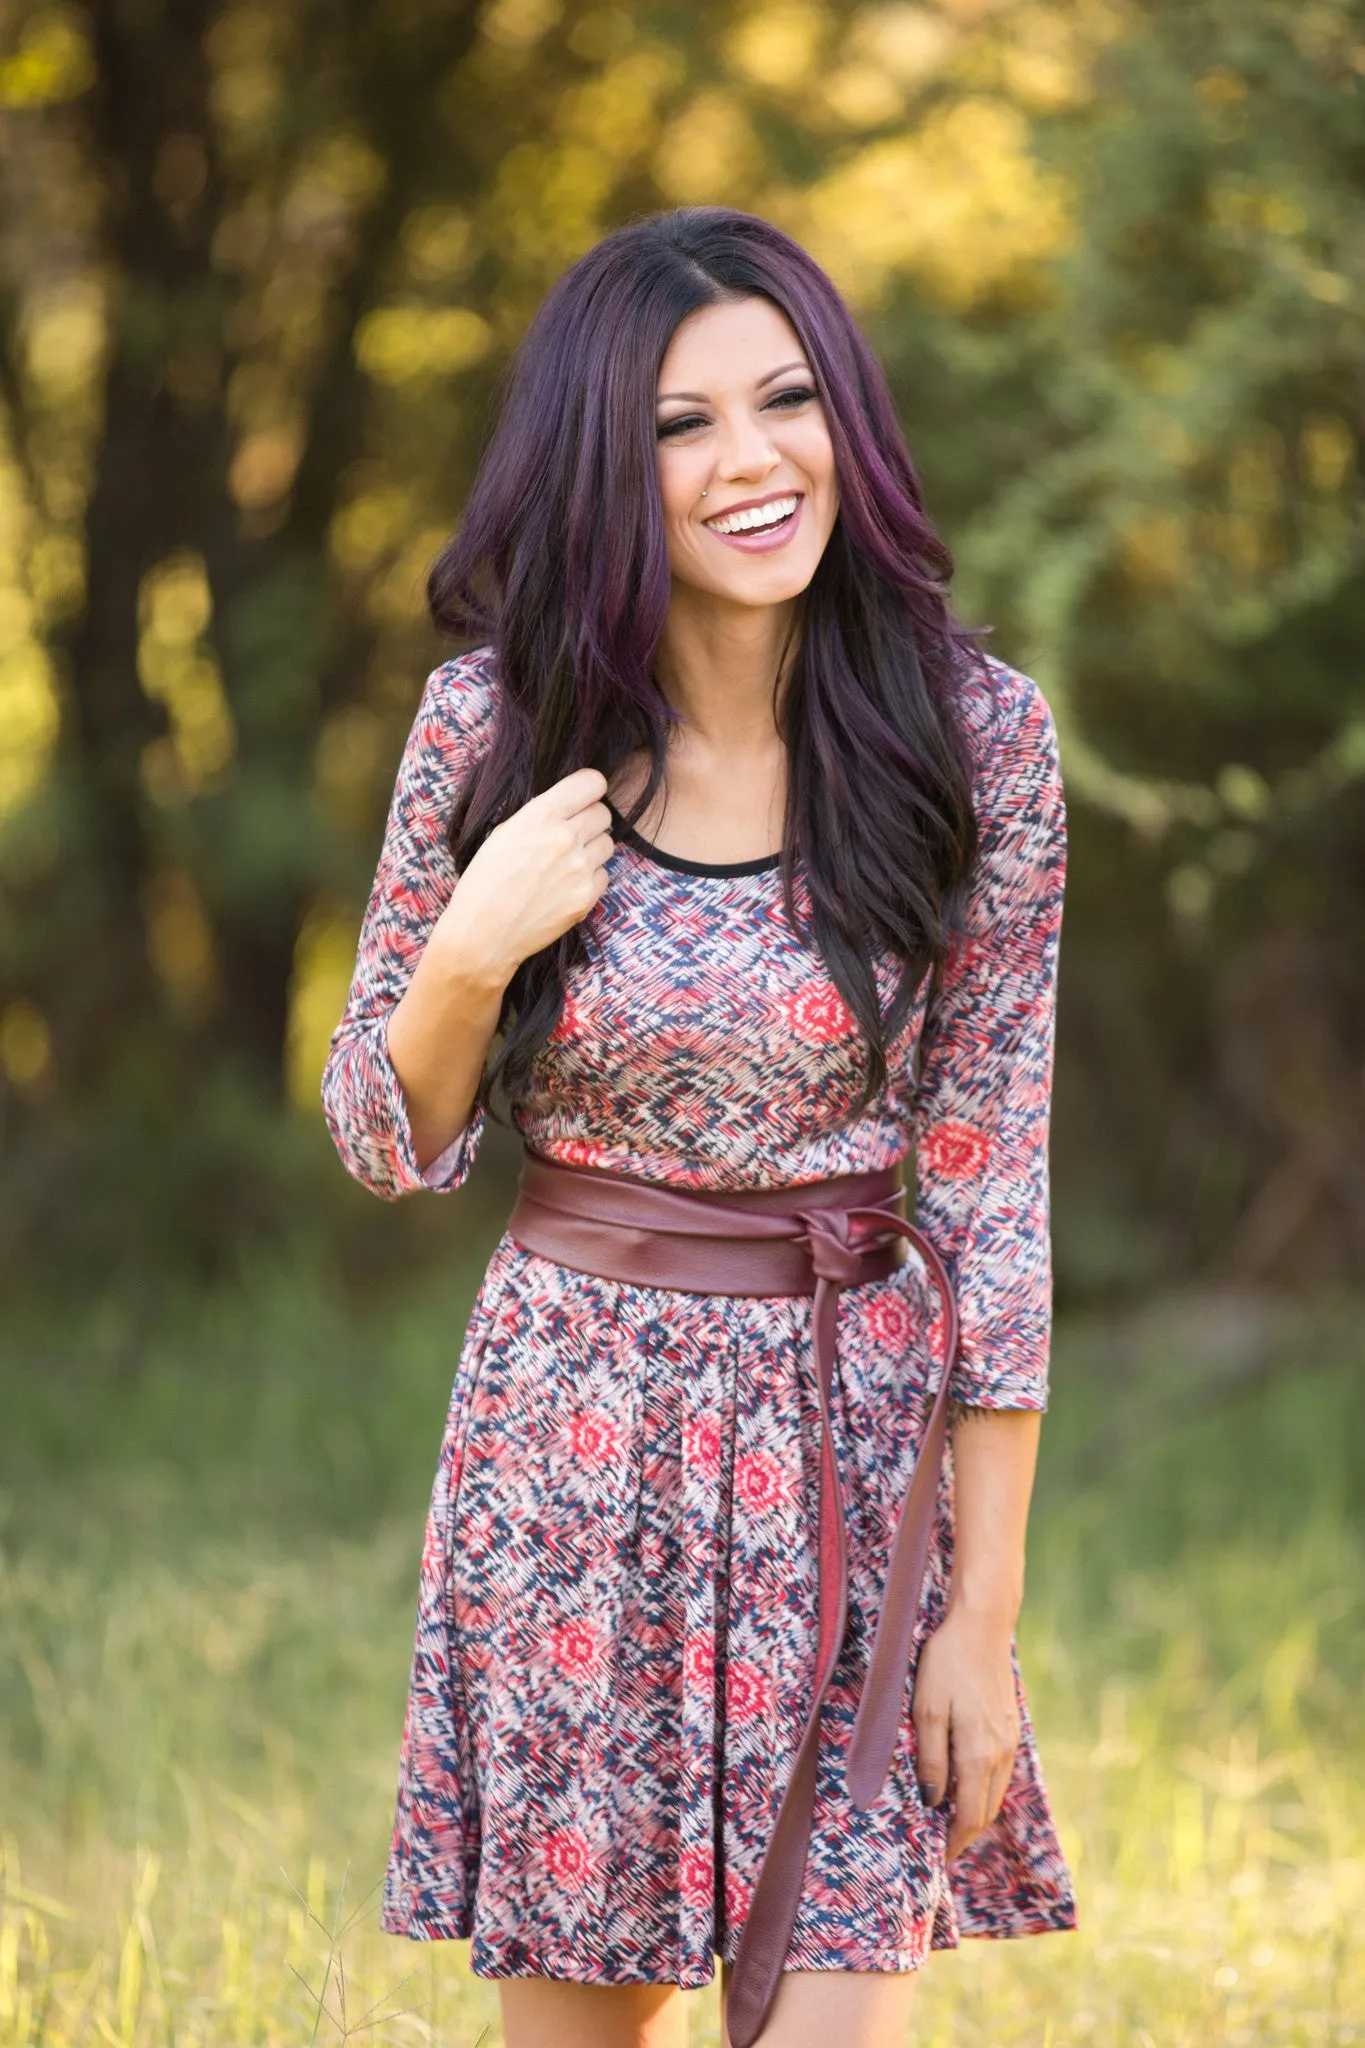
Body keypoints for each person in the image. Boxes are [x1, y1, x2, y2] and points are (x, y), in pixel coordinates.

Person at [322, 205, 1076, 2048]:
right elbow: (378, 1125)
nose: (752, 463)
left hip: (854, 1436)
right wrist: (471, 947)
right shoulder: (490, 734)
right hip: (577, 1446)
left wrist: (983, 1620)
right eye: (682, 424)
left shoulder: (972, 741)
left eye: (786, 401)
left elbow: (991, 1187)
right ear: (604, 461)